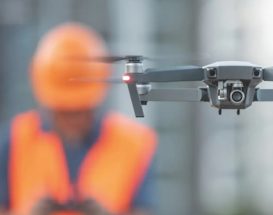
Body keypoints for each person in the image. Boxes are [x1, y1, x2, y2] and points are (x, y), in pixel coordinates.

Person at [0, 23, 157, 215]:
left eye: (80, 110)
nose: (72, 119)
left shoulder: (135, 144)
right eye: (62, 111)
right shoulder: (14, 140)